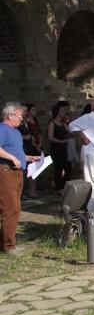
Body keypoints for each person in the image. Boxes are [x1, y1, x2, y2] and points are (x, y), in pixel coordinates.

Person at [0, 103, 41, 255]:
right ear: (10, 116)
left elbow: (16, 153)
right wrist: (11, 158)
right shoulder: (2, 129)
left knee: (16, 209)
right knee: (10, 209)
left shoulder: (16, 132)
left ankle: (7, 241)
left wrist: (28, 158)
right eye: (19, 116)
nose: (21, 119)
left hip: (17, 173)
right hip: (6, 171)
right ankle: (8, 246)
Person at [48, 101, 73, 195]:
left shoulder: (63, 124)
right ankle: (59, 188)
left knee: (68, 169)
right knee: (58, 169)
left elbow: (71, 133)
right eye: (62, 110)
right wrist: (61, 141)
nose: (64, 112)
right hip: (57, 148)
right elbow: (50, 137)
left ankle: (62, 185)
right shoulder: (52, 123)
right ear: (57, 112)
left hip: (64, 148)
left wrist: (67, 123)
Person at [18, 104, 42, 198]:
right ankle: (20, 193)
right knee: (22, 170)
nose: (25, 113)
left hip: (32, 147)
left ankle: (31, 191)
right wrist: (25, 137)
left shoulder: (27, 122)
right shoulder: (18, 122)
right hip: (24, 147)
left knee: (33, 169)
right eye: (24, 111)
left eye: (26, 111)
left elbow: (37, 133)